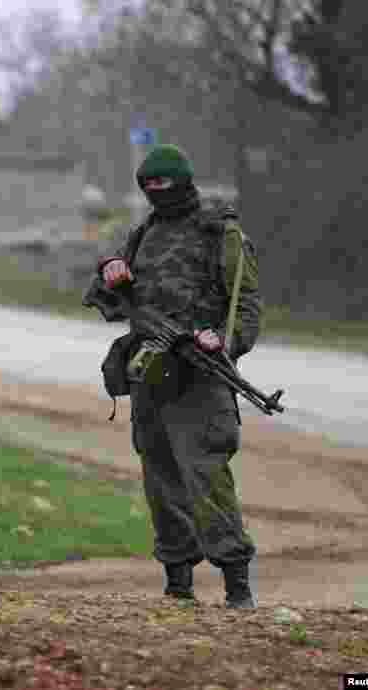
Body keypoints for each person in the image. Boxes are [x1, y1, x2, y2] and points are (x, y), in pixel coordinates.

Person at [92, 144, 262, 609]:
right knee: (160, 480)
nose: (157, 193)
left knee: (207, 477)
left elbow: (245, 308)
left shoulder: (219, 232)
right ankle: (178, 582)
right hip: (150, 376)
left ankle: (236, 584)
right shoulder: (143, 231)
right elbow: (107, 298)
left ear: (184, 182)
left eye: (164, 185)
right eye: (149, 187)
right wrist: (111, 273)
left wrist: (221, 344)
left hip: (201, 379)